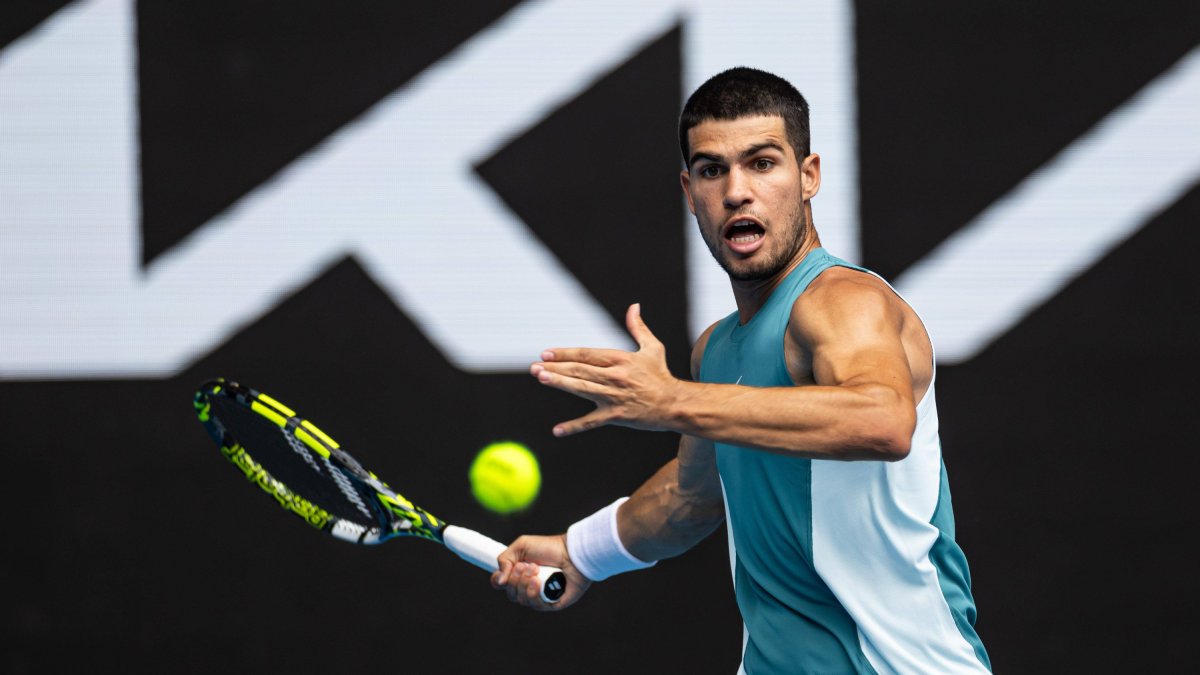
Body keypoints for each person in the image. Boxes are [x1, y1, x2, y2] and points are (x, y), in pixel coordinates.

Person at [491, 67, 991, 673]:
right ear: (688, 190)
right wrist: (581, 552)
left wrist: (673, 401)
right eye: (711, 170)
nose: (736, 191)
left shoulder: (843, 301)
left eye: (762, 163)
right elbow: (691, 497)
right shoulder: (716, 352)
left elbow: (883, 421)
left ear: (808, 177)